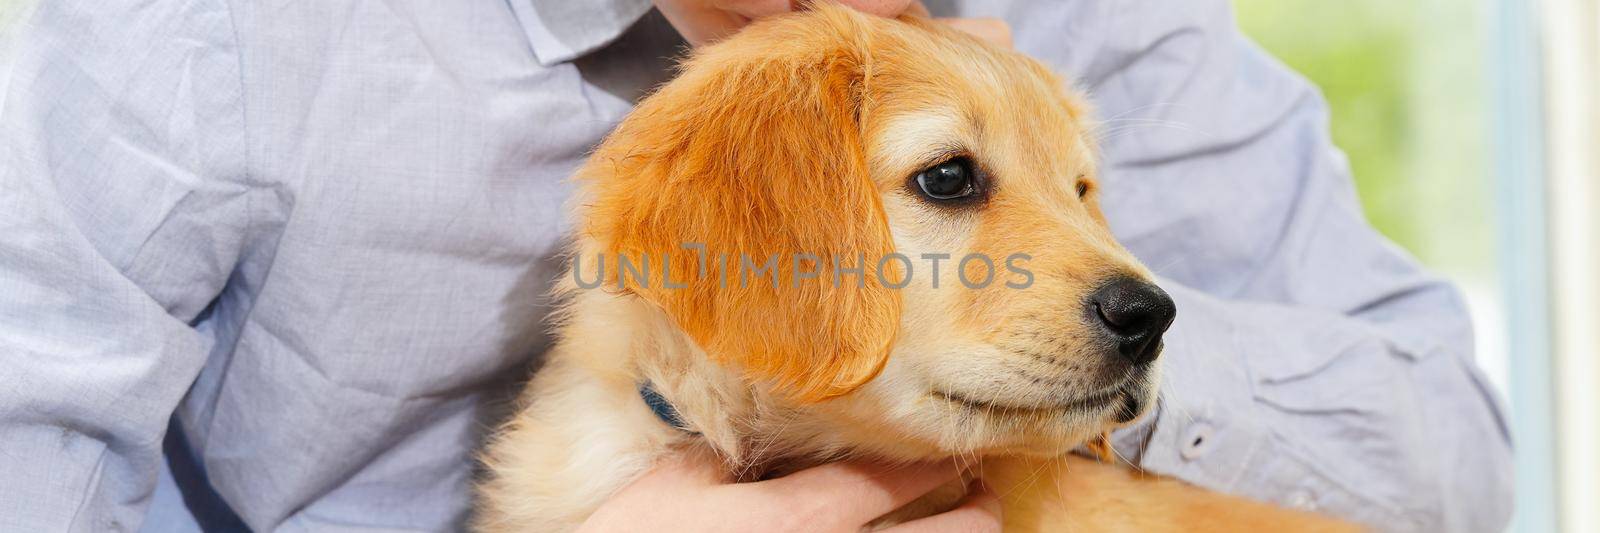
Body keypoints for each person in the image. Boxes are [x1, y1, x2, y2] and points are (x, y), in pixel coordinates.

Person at [0, 0, 1513, 531]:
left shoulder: (1116, 26)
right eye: (946, 180)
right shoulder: (216, 35)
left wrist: (1099, 394)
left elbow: (1454, 453)